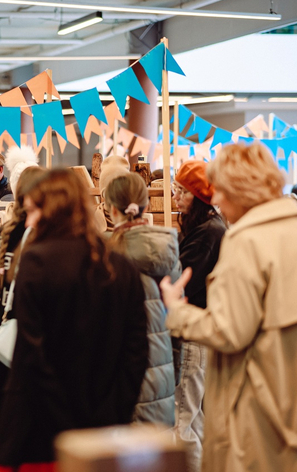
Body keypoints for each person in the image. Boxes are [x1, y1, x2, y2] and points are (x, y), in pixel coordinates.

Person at [160, 143, 297, 472]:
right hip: (295, 405)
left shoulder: (246, 241)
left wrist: (176, 311)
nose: (215, 200)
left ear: (240, 190)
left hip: (257, 407)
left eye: (221, 190)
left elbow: (228, 330)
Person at [0, 168, 149, 470]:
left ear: (54, 209)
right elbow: (137, 354)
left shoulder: (37, 262)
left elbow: (31, 357)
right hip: (105, 428)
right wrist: (111, 413)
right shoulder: (120, 265)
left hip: (39, 433)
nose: (31, 219)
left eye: (35, 210)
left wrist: (64, 421)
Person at [104, 173, 180, 427]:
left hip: (119, 375)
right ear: (146, 206)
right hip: (162, 369)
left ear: (110, 209)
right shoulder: (168, 249)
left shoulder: (105, 256)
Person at [0, 166, 45, 451]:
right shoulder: (41, 237)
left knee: (4, 425)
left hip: (0, 339)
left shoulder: (3, 235)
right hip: (31, 342)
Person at [171, 160, 226, 472]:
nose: (177, 198)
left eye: (182, 192)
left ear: (198, 197)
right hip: (198, 332)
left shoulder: (208, 232)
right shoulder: (206, 228)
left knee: (182, 424)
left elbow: (184, 280)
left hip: (193, 333)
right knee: (195, 420)